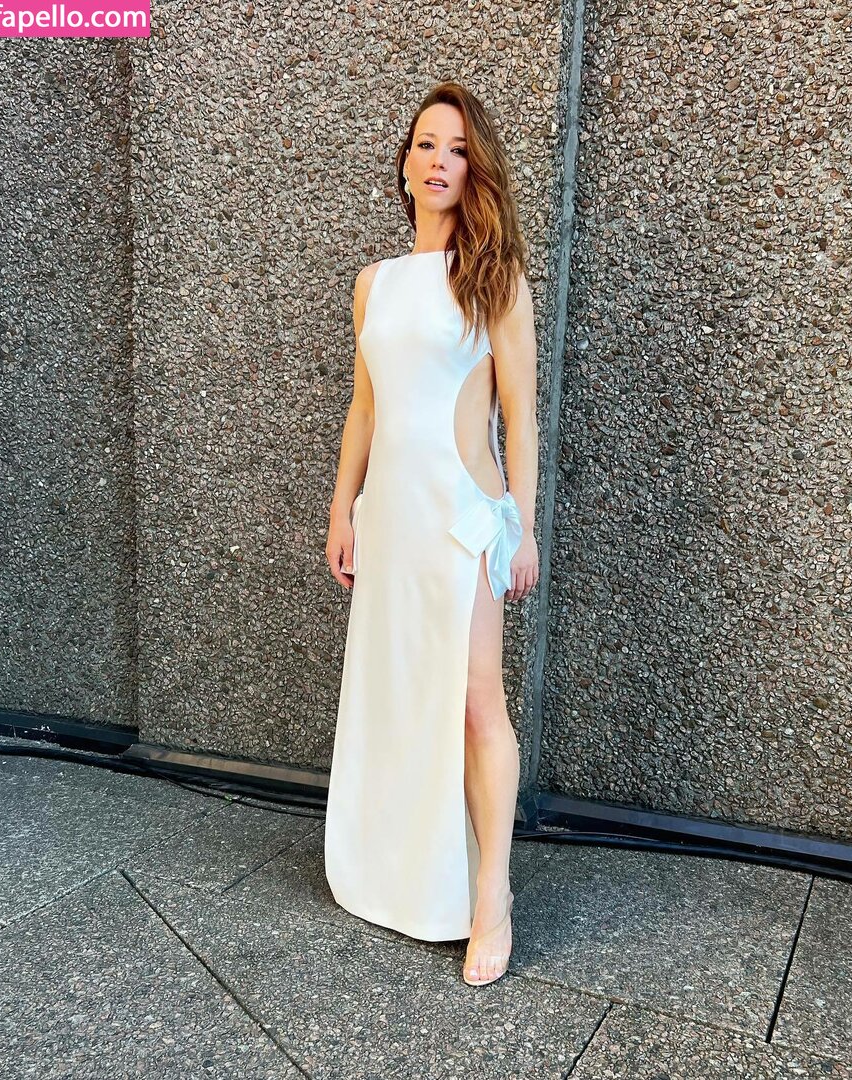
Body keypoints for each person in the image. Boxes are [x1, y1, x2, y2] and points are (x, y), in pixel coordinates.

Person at [323, 80, 539, 988]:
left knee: (477, 703)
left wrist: (522, 529)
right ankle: (407, 872)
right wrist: (342, 507)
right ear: (406, 165)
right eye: (425, 144)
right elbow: (365, 409)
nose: (439, 160)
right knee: (403, 695)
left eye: (456, 147)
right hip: (392, 522)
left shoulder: (496, 279)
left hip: (463, 523)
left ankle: (493, 894)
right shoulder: (375, 284)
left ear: (473, 167)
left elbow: (521, 420)